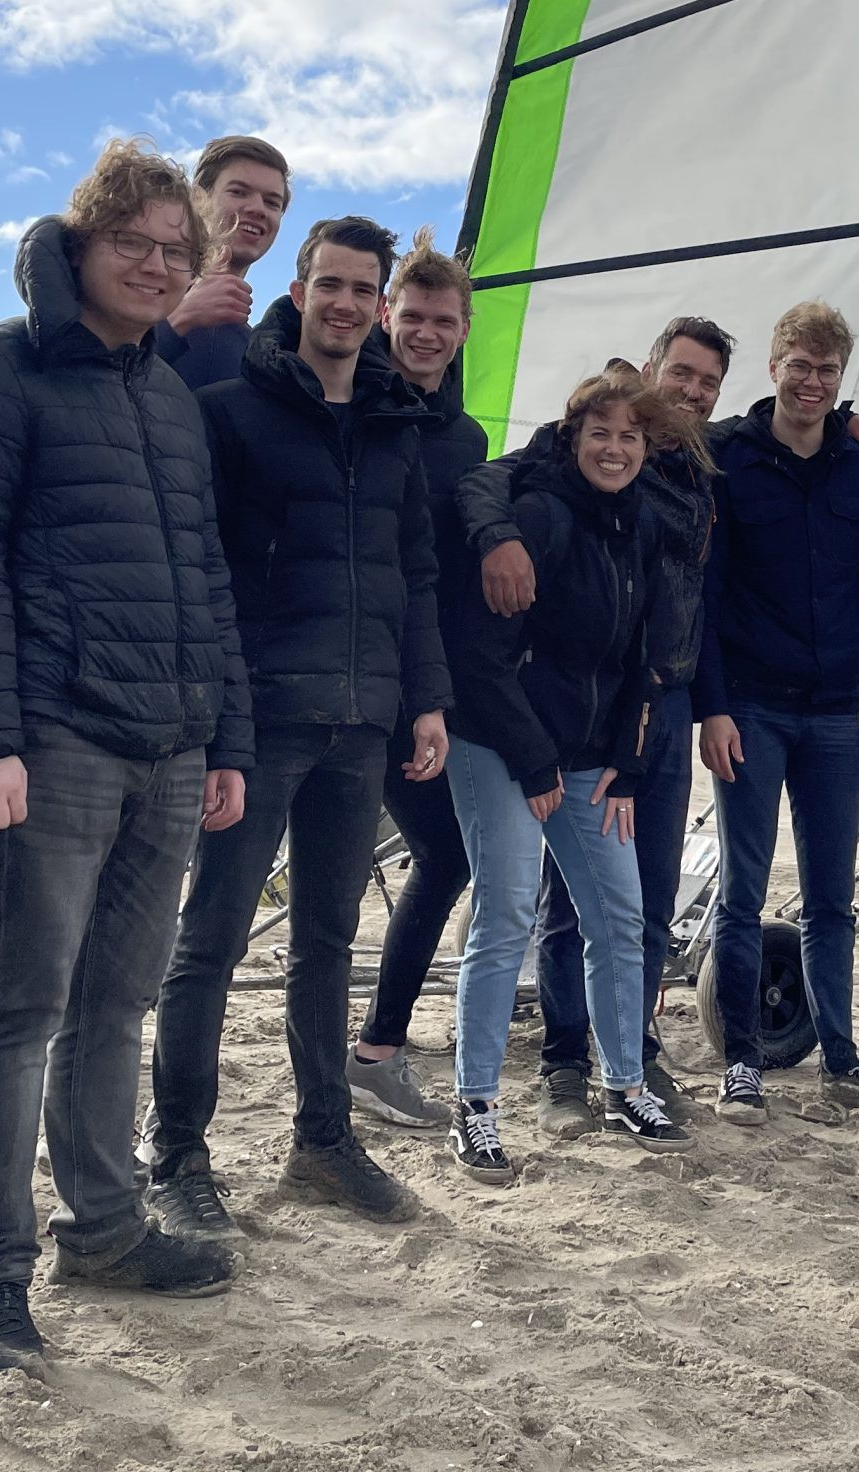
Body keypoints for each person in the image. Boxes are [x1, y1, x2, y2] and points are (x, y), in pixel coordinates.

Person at [0, 140, 254, 1374]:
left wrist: (223, 737)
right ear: (81, 242)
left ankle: (103, 1228)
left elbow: (204, 578)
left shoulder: (167, 393)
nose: (158, 267)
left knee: (118, 1004)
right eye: (136, 244)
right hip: (47, 744)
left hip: (168, 744)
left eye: (178, 251)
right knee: (13, 1011)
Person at [146, 217, 451, 1231]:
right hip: (262, 723)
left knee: (326, 939)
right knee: (211, 940)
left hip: (361, 726)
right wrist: (223, 726)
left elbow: (415, 577)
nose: (348, 306)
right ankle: (178, 1156)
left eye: (365, 291)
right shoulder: (236, 413)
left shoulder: (395, 425)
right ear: (301, 289)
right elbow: (210, 579)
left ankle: (323, 1140)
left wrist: (426, 699)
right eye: (331, 286)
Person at [454, 317, 730, 1137]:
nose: (615, 449)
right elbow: (479, 655)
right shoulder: (540, 514)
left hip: (584, 756)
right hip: (501, 743)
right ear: (574, 437)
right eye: (600, 434)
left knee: (621, 914)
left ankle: (625, 1083)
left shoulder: (640, 522)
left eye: (629, 438)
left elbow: (642, 657)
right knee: (505, 912)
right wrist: (537, 765)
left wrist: (629, 760)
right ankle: (476, 1104)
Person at [696, 301, 859, 1124]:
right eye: (801, 365)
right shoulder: (727, 458)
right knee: (742, 895)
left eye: (829, 371)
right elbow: (708, 598)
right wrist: (712, 707)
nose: (813, 383)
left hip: (836, 715)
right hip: (750, 710)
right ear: (775, 365)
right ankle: (743, 1061)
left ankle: (841, 1054)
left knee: (832, 900)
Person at [344, 228, 488, 1131]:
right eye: (414, 316)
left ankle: (374, 1052)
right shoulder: (353, 399)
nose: (427, 332)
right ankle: (370, 1053)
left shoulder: (466, 436)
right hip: (346, 671)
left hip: (419, 684)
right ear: (386, 314)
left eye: (444, 320)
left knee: (443, 856)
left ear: (464, 330)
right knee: (420, 859)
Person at [152, 135, 291, 389]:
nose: (258, 209)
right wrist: (183, 317)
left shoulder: (254, 352)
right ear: (197, 199)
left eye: (272, 202)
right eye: (239, 192)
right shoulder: (139, 291)